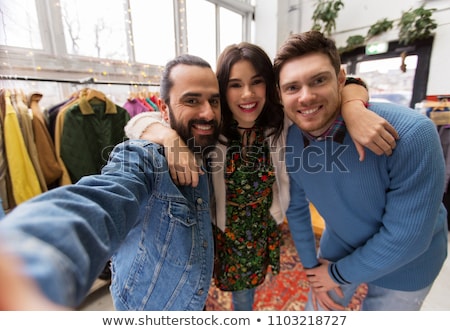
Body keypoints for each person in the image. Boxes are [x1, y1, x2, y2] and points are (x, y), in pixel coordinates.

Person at [126, 42, 399, 310]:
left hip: (261, 233)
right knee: (200, 291)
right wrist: (168, 137)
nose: (247, 94)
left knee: (246, 296)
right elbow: (137, 122)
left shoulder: (281, 122)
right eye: (235, 85)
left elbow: (349, 81)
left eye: (256, 82)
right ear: (223, 88)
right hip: (221, 234)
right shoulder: (209, 127)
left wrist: (352, 106)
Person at [0, 54, 221, 310]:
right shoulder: (143, 157)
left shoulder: (204, 146)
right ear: (163, 108)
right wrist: (28, 257)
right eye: (191, 100)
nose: (208, 112)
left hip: (194, 296)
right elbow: (105, 198)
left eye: (214, 101)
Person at [272, 31, 448, 311]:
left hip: (409, 267)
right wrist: (311, 269)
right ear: (280, 95)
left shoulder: (413, 134)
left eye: (319, 80)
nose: (305, 96)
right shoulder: (291, 140)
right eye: (292, 87)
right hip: (340, 243)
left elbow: (407, 239)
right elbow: (295, 207)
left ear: (341, 79)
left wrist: (334, 275)